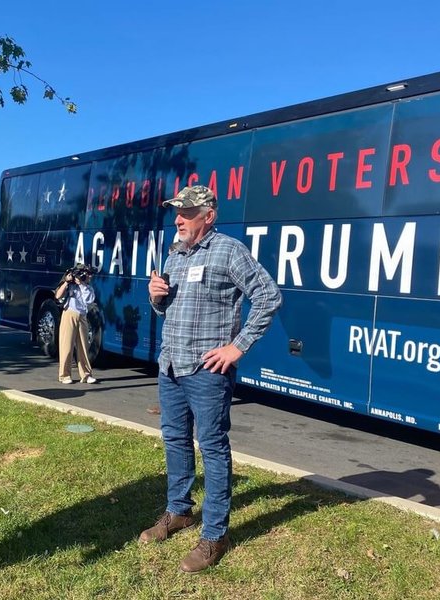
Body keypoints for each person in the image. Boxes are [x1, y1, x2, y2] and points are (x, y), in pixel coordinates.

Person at [140, 185, 282, 573]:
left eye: (187, 212)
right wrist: (156, 296)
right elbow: (167, 309)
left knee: (213, 448)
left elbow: (268, 295)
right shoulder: (175, 253)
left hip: (207, 371)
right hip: (171, 365)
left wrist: (237, 347)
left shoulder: (228, 250)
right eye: (177, 212)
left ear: (209, 215)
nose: (179, 219)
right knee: (174, 439)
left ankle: (215, 534)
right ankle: (178, 511)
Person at [55, 263, 98, 384]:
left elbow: (89, 300)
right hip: (69, 313)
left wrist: (82, 284)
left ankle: (86, 375)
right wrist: (67, 282)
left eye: (89, 275)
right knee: (66, 346)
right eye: (87, 274)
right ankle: (64, 375)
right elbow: (58, 296)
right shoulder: (70, 285)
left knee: (84, 346)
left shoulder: (88, 287)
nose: (89, 277)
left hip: (82, 316)